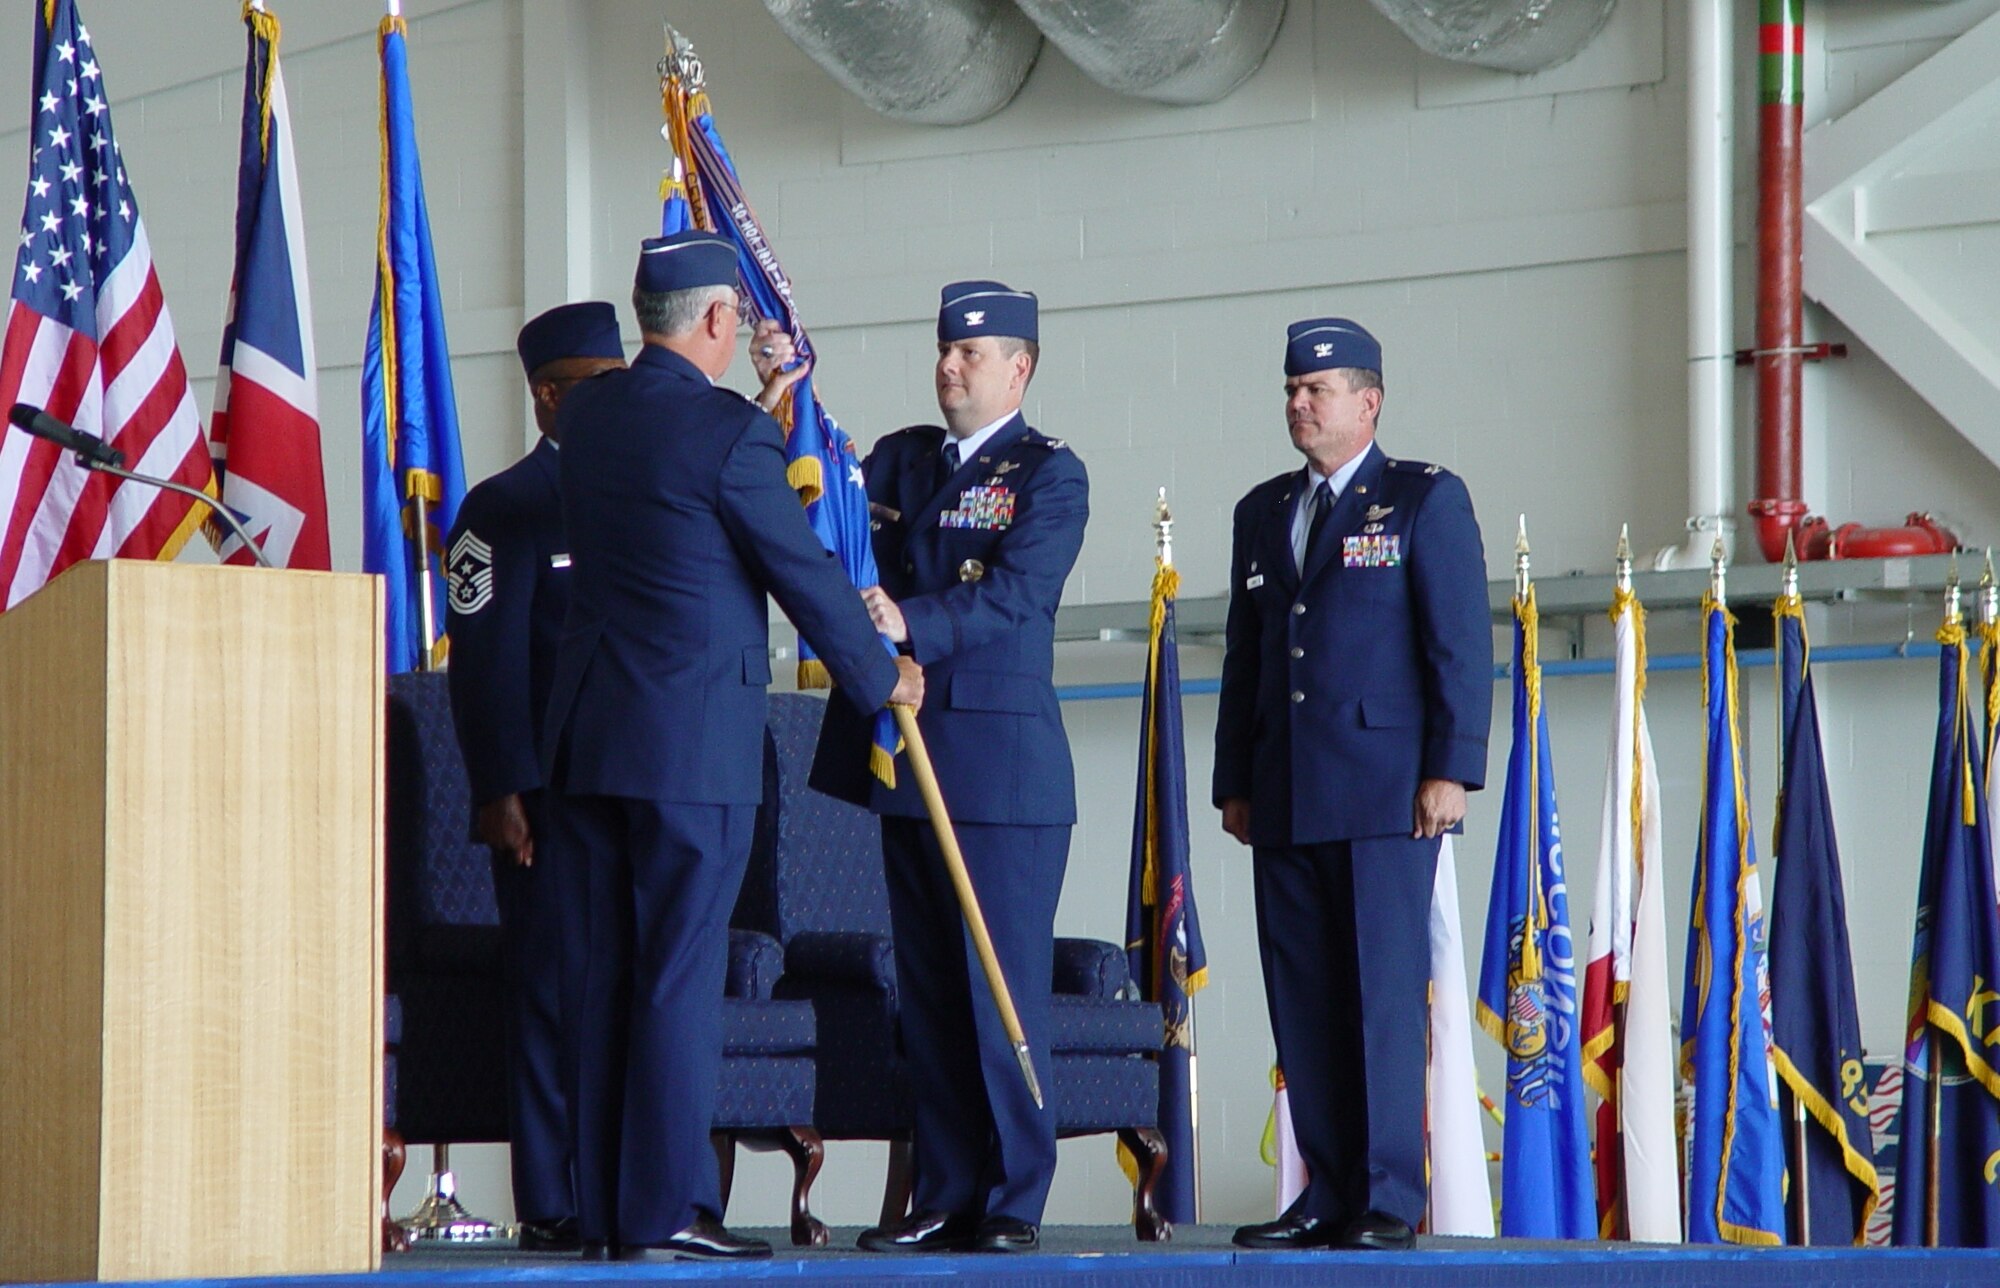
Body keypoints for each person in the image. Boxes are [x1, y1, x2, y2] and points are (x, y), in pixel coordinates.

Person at [539, 230, 923, 1263]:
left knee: (604, 977)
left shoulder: (590, 415)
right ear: (715, 318)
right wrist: (882, 676)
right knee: (676, 975)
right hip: (687, 750)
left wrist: (755, 416)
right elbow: (802, 574)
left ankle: (606, 1212)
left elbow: (675, 483)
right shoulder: (727, 439)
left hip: (589, 741)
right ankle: (668, 1205)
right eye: (735, 315)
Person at [757, 280, 1088, 1255]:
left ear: (1018, 369)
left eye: (970, 354)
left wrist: (909, 620)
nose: (949, 366)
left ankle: (1013, 1195)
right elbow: (825, 487)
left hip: (999, 773)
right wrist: (784, 391)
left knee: (995, 990)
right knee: (931, 994)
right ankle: (944, 1191)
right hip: (906, 760)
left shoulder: (1048, 474)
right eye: (944, 350)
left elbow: (1018, 597)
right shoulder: (901, 459)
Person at [1213, 318, 1491, 1252]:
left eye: (1318, 390)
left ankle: (1384, 1195)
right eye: (1293, 390)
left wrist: (1451, 768)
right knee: (1303, 998)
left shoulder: (1422, 499)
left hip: (1384, 794)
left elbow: (1459, 644)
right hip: (1286, 790)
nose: (1300, 403)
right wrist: (1235, 778)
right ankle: (1324, 1191)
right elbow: (1248, 657)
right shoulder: (1262, 511)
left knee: (1378, 996)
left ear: (1368, 402)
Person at [442, 301, 625, 1254]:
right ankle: (554, 1199)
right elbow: (485, 665)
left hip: (629, 790)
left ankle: (623, 1192)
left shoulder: (639, 489)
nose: (619, 400)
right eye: (598, 387)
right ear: (547, 397)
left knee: (623, 996)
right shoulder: (503, 507)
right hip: (545, 802)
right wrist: (500, 790)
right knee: (552, 997)